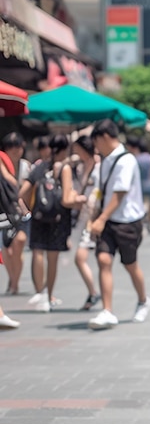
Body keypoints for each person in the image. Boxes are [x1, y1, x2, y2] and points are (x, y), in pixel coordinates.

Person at [87, 119, 150, 330]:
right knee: (103, 260)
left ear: (104, 137)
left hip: (127, 222)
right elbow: (103, 191)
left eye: (96, 141)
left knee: (130, 264)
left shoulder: (126, 160)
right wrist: (95, 216)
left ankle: (143, 300)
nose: (95, 147)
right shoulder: (105, 160)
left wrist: (101, 218)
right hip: (107, 219)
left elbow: (120, 193)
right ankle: (107, 310)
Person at [19, 134, 83, 312]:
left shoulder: (39, 166)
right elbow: (65, 199)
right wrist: (78, 200)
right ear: (65, 149)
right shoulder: (65, 169)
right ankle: (49, 296)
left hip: (39, 215)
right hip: (57, 218)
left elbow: (23, 191)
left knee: (38, 251)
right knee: (52, 258)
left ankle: (39, 292)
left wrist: (28, 210)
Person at [71, 135, 101, 310]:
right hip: (85, 217)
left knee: (80, 257)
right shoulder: (86, 165)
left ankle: (94, 293)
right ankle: (94, 292)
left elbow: (97, 192)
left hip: (92, 217)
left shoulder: (97, 166)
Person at [1, 132, 31, 294]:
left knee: (19, 242)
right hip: (4, 212)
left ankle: (14, 282)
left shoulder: (25, 166)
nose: (15, 150)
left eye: (17, 146)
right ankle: (13, 281)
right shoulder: (1, 165)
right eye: (10, 147)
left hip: (22, 212)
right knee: (7, 248)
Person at [126, 135, 150, 233]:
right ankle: (149, 223)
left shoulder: (135, 159)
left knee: (142, 204)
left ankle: (143, 222)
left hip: (139, 186)